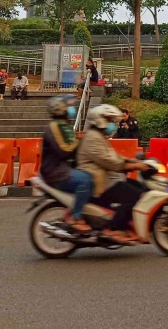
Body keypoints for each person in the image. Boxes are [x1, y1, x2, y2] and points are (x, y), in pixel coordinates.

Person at [76, 105, 149, 244]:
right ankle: (114, 228)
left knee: (139, 187)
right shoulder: (93, 138)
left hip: (106, 177)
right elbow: (109, 161)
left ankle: (127, 224)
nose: (111, 124)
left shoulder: (100, 136)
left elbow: (114, 157)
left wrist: (133, 162)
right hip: (100, 181)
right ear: (100, 120)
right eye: (108, 120)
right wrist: (131, 165)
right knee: (135, 196)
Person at [39, 95, 93, 232]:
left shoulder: (64, 126)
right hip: (56, 172)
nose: (71, 109)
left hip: (63, 169)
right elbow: (64, 150)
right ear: (60, 109)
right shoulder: (54, 127)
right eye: (68, 106)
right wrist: (78, 140)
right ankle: (75, 217)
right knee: (86, 181)